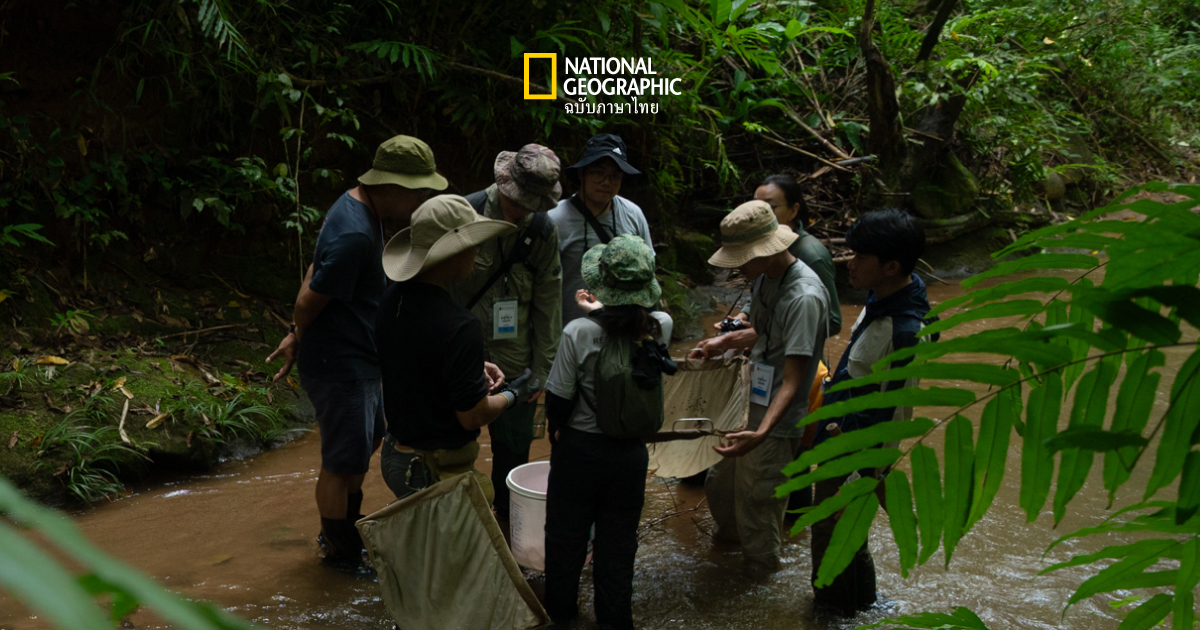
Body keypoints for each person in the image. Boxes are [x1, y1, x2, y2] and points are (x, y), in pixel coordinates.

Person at [264, 135, 446, 574]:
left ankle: (348, 528)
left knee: (362, 448)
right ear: (392, 185)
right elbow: (311, 298)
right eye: (418, 191)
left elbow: (314, 270)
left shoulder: (358, 206)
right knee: (341, 461)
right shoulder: (356, 234)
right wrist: (298, 332)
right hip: (341, 364)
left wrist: (296, 333)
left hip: (359, 357)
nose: (422, 199)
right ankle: (339, 550)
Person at [688, 200, 828, 572]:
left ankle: (761, 575)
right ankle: (734, 554)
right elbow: (765, 333)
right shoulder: (767, 278)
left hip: (774, 422)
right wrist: (725, 342)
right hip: (751, 403)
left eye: (742, 259)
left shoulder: (804, 297)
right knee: (720, 486)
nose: (737, 267)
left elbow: (795, 378)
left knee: (758, 503)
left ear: (768, 250)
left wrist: (762, 433)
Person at [542, 235, 673, 630]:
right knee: (618, 549)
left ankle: (562, 615)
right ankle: (615, 620)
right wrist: (602, 309)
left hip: (580, 451)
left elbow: (559, 398)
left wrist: (557, 432)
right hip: (629, 455)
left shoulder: (578, 332)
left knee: (565, 542)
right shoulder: (660, 326)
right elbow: (627, 321)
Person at [809, 208, 934, 615]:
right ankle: (860, 607)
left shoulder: (905, 332)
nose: (851, 262)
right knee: (837, 529)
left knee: (835, 530)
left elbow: (896, 411)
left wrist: (868, 476)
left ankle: (837, 614)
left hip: (857, 449)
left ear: (892, 266)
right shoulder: (882, 296)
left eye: (861, 256)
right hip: (837, 431)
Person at [374, 195, 539, 504]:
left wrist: (471, 366)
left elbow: (418, 361)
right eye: (473, 247)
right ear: (454, 254)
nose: (477, 255)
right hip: (432, 469)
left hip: (396, 455)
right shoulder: (460, 325)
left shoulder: (391, 299)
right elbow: (473, 416)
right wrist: (513, 394)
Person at [453, 144, 563, 520]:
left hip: (517, 367)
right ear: (504, 183)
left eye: (533, 205)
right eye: (519, 202)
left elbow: (549, 306)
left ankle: (507, 526)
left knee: (513, 459)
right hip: (460, 360)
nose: (524, 211)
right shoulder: (462, 214)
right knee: (452, 455)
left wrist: (541, 374)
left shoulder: (543, 232)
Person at [548, 133, 654, 324]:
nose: (607, 182)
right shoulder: (555, 218)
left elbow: (648, 273)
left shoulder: (633, 214)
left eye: (615, 176)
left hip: (623, 330)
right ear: (582, 173)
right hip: (571, 329)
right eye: (598, 173)